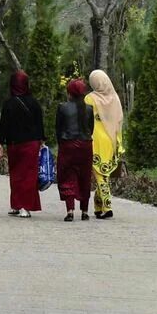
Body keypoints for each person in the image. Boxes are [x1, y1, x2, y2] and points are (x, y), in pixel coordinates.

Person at [0, 70, 46, 217]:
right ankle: (25, 206)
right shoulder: (34, 103)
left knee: (15, 174)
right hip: (31, 143)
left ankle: (17, 204)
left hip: (13, 144)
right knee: (29, 175)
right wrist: (42, 140)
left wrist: (0, 143)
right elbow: (39, 123)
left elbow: (3, 124)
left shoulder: (9, 103)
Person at [87, 69, 125, 220]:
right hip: (110, 139)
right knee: (104, 174)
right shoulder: (115, 98)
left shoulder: (89, 99)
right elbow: (119, 120)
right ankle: (98, 207)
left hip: (96, 139)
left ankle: (107, 206)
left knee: (100, 175)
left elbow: (86, 119)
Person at [55, 77, 94, 221]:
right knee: (85, 176)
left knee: (67, 176)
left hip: (68, 145)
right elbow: (91, 129)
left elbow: (58, 129)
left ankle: (70, 210)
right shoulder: (89, 109)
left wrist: (61, 144)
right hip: (85, 145)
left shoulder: (63, 107)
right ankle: (84, 211)